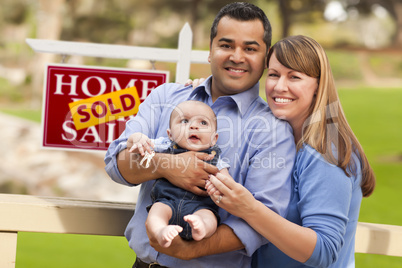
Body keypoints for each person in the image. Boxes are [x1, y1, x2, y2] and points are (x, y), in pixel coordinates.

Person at [104, 2, 296, 267]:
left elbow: (264, 220)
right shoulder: (166, 97)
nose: (236, 57)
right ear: (210, 50)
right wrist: (167, 165)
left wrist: (190, 250)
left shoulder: (273, 130)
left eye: (250, 48)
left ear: (265, 58)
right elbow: (115, 164)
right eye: (226, 45)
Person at [206, 35, 376, 268]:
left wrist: (249, 209)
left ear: (318, 86)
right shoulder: (278, 139)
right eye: (274, 74)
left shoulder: (324, 152)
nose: (279, 86)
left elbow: (324, 251)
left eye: (294, 77)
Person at [128, 100, 230, 248]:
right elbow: (133, 145)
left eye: (203, 123)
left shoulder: (216, 159)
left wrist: (221, 187)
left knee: (210, 218)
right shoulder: (164, 146)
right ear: (170, 134)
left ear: (214, 139)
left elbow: (227, 184)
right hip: (167, 202)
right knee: (156, 213)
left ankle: (201, 228)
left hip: (200, 206)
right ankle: (160, 231)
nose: (194, 126)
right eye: (184, 121)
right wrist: (137, 139)